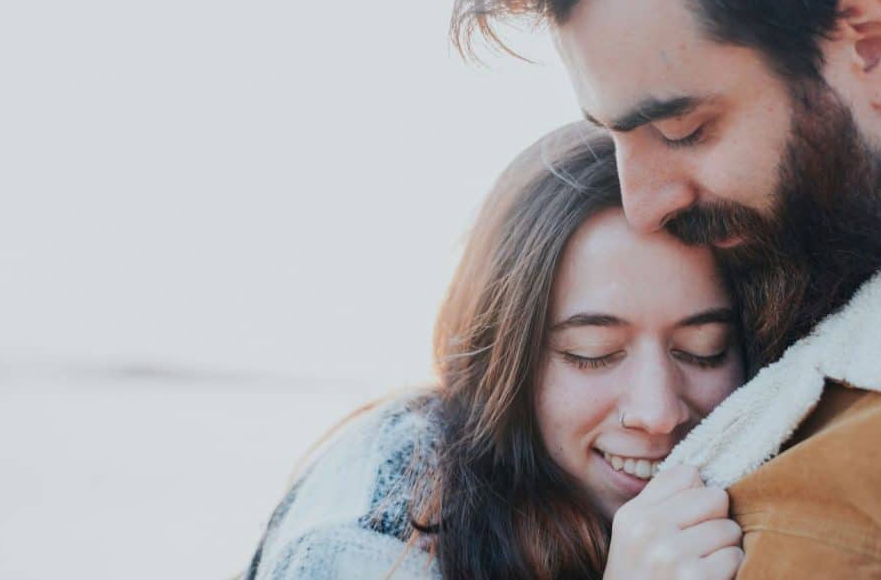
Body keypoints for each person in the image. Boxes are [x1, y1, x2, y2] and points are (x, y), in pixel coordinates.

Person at [451, 0, 881, 577]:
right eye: (612, 135)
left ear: (872, 45)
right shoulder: (802, 253)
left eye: (683, 130)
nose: (642, 208)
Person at [244, 124, 746, 579]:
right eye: (592, 353)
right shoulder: (371, 537)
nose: (657, 413)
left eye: (704, 350)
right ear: (501, 355)